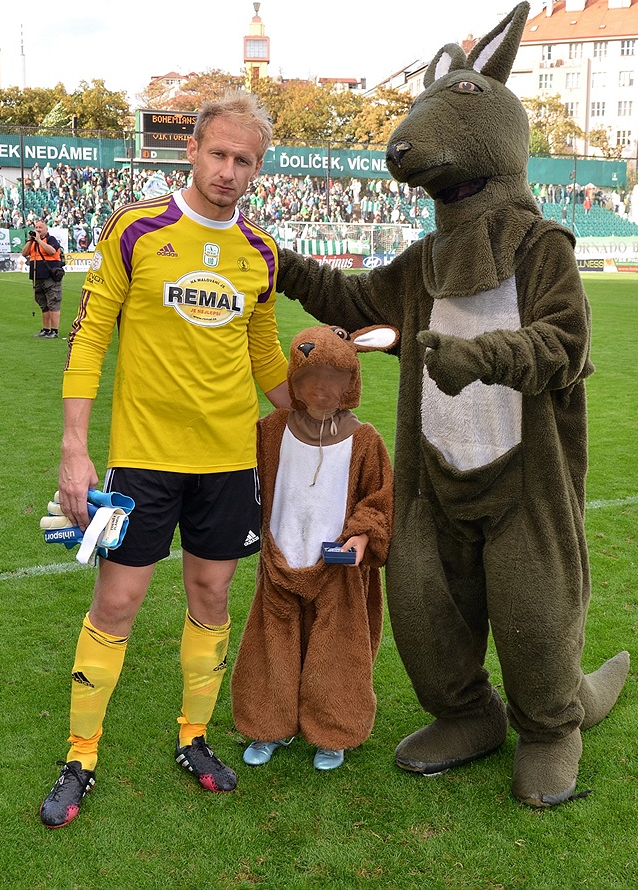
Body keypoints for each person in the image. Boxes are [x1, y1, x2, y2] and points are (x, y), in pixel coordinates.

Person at [39, 92, 291, 829]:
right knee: (116, 605)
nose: (228, 170)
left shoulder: (261, 253)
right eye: (218, 153)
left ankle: (194, 738)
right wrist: (75, 449)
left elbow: (263, 354)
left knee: (211, 600)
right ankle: (80, 755)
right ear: (193, 151)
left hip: (226, 464)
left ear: (257, 168)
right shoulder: (137, 228)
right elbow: (89, 338)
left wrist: (316, 416)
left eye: (244, 160)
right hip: (143, 464)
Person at [230, 324, 395, 771]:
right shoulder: (271, 429)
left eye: (334, 381)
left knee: (336, 650)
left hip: (338, 569)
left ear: (351, 384)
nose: (322, 391)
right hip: (282, 558)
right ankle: (270, 726)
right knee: (272, 646)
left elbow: (379, 501)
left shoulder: (365, 440)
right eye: (309, 380)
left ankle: (333, 732)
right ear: (294, 382)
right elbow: (242, 473)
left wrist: (361, 536)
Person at [22, 219, 64, 338]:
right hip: (37, 277)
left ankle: (54, 330)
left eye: (41, 227)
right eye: (36, 227)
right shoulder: (33, 242)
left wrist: (39, 241)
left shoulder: (51, 239)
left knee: (53, 302)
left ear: (46, 229)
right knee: (43, 305)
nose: (38, 229)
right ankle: (46, 329)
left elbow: (51, 251)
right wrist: (31, 241)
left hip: (50, 277)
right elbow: (24, 253)